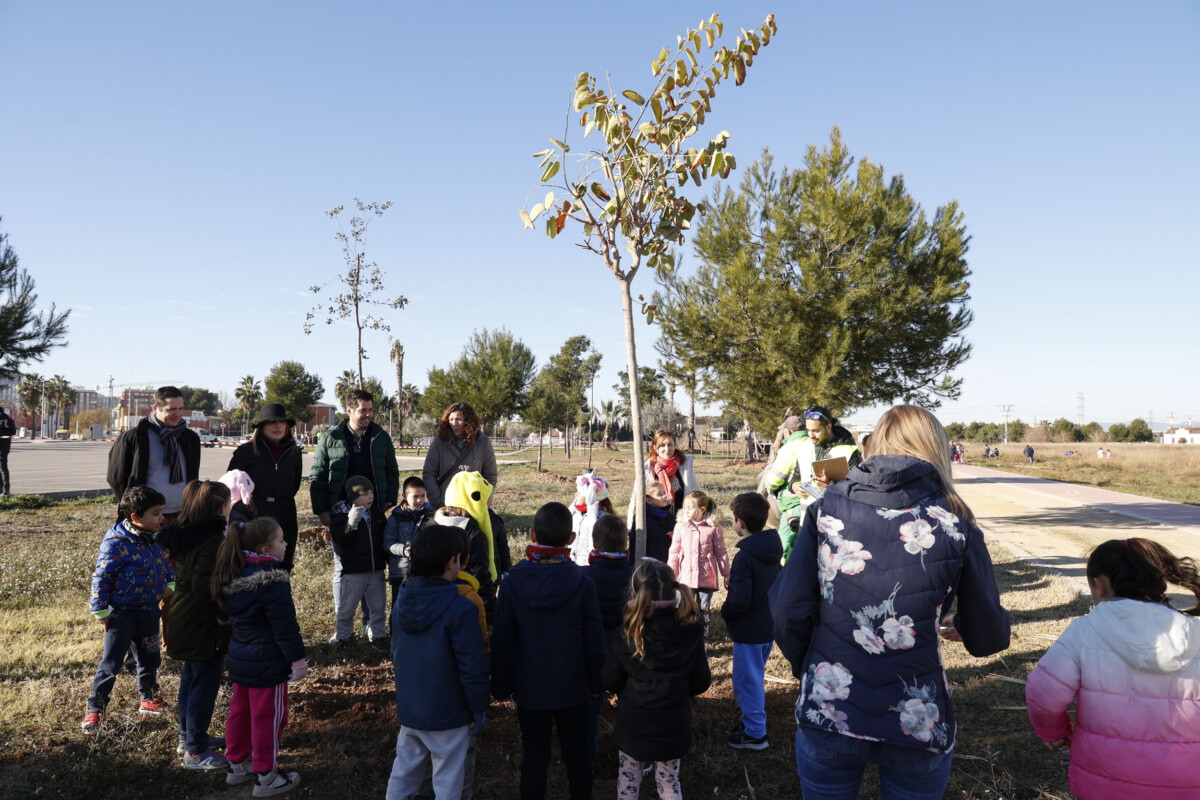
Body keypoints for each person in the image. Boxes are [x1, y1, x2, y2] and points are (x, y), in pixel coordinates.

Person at [770, 404, 1011, 800]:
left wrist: (811, 668)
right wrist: (962, 623)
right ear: (937, 448)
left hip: (829, 706)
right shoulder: (956, 522)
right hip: (917, 719)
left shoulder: (826, 508)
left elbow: (786, 612)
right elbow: (989, 637)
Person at [1025, 538, 1200, 799]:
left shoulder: (1084, 631)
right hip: (1188, 784)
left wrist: (1054, 732)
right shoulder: (1195, 633)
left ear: (1100, 585)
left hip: (1103, 783)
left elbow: (1042, 693)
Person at [491, 501, 604, 800]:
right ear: (571, 539)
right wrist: (596, 684)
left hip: (530, 688)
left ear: (532, 535)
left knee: (534, 754)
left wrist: (500, 686)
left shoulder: (512, 583)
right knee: (577, 754)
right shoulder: (583, 583)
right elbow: (594, 641)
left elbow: (503, 639)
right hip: (573, 686)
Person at [386, 525, 490, 800]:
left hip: (411, 710)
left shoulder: (400, 602)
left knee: (404, 772)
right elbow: (472, 667)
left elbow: (396, 653)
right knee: (448, 780)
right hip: (449, 715)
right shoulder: (462, 609)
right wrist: (479, 706)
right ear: (452, 563)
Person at [212, 516, 306, 797]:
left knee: (240, 713)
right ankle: (266, 776)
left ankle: (236, 765)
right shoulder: (274, 581)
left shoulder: (233, 572)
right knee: (270, 718)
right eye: (281, 540)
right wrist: (297, 660)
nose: (286, 544)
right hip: (269, 664)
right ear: (266, 549)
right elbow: (285, 626)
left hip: (241, 660)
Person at [603, 559, 711, 800]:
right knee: (669, 782)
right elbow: (701, 681)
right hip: (673, 727)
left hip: (634, 727)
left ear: (634, 593)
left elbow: (610, 679)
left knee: (628, 782)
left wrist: (626, 689)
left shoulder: (626, 633)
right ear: (675, 591)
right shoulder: (691, 631)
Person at [83, 486, 173, 731]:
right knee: (111, 664)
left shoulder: (157, 538)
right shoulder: (117, 543)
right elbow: (101, 577)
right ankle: (95, 709)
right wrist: (101, 610)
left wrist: (170, 584)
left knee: (150, 659)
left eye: (162, 512)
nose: (162, 518)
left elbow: (165, 563)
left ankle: (148, 698)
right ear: (136, 517)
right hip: (121, 615)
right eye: (156, 513)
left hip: (149, 612)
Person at [310, 389, 400, 634]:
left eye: (370, 410)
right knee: (343, 568)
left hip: (373, 513)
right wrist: (322, 510)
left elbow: (391, 471)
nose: (368, 415)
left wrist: (388, 500)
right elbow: (318, 475)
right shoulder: (330, 437)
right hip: (341, 514)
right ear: (349, 410)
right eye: (363, 410)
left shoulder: (380, 437)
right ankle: (343, 626)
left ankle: (371, 625)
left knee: (371, 567)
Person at [158, 480, 234, 769]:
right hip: (201, 622)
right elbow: (206, 585)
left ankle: (188, 737)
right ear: (220, 508)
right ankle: (196, 752)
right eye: (228, 502)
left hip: (183, 614)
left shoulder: (187, 536)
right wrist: (221, 612)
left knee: (190, 680)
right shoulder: (212, 541)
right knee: (204, 685)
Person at [721, 493, 782, 751]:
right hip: (767, 625)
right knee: (754, 677)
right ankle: (750, 724)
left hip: (749, 630)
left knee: (748, 683)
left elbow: (739, 601)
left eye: (733, 519)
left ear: (740, 523)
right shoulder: (770, 548)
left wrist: (726, 611)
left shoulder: (745, 557)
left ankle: (756, 734)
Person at [764, 405, 861, 563]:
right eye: (808, 430)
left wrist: (829, 488)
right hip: (807, 523)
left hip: (836, 525)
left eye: (816, 431)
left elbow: (858, 490)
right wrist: (794, 486)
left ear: (828, 427)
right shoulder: (804, 447)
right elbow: (795, 477)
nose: (811, 435)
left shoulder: (849, 451)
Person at [582, 514, 634, 762]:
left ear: (594, 542)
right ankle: (632, 752)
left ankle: (587, 753)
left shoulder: (584, 576)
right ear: (625, 544)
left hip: (593, 652)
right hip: (626, 652)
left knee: (590, 705)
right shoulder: (635, 577)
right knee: (629, 702)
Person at [108, 386, 201, 521]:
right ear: (155, 409)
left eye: (180, 408)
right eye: (171, 409)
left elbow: (193, 476)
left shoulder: (191, 438)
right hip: (147, 518)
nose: (178, 414)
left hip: (183, 515)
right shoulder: (134, 437)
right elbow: (116, 478)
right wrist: (133, 507)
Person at [227, 403, 303, 568]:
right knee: (252, 566)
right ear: (261, 426)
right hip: (255, 515)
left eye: (282, 422)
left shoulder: (294, 452)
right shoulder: (246, 451)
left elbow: (295, 485)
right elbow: (231, 485)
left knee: (284, 564)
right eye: (272, 422)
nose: (278, 426)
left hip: (286, 513)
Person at [327, 476, 388, 651]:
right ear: (353, 497)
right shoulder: (341, 516)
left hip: (376, 570)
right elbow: (342, 541)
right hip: (353, 572)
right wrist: (351, 523)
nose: (370, 497)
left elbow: (384, 539)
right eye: (365, 494)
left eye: (372, 493)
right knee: (347, 608)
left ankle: (379, 637)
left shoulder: (377, 515)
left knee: (378, 607)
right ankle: (342, 638)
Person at [434, 471, 499, 623]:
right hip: (465, 608)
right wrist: (489, 617)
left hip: (431, 606)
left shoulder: (431, 525)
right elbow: (481, 575)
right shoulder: (473, 534)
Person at [667, 490, 729, 636]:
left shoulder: (714, 528)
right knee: (683, 607)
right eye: (685, 507)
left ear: (702, 509)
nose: (686, 511)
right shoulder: (681, 526)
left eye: (690, 508)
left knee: (704, 608)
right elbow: (674, 551)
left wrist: (726, 573)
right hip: (686, 576)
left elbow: (721, 552)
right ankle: (684, 635)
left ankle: (702, 637)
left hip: (706, 576)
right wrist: (670, 572)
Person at [422, 402, 498, 511]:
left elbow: (490, 476)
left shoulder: (483, 442)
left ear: (469, 421)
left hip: (473, 507)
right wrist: (438, 503)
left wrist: (481, 501)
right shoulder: (439, 441)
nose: (454, 423)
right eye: (451, 419)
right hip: (445, 506)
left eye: (458, 419)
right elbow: (429, 474)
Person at [629, 432, 699, 547]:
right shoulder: (646, 469)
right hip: (655, 527)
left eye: (670, 444)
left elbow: (697, 494)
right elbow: (636, 498)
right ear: (655, 447)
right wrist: (631, 524)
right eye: (662, 445)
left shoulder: (685, 467)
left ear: (675, 445)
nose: (667, 449)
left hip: (682, 524)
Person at [383, 476, 434, 603]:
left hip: (425, 571)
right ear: (404, 496)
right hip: (401, 572)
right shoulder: (396, 517)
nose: (420, 500)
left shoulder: (431, 516)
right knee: (399, 607)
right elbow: (388, 543)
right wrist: (404, 550)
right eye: (415, 496)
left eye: (422, 496)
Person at [570, 470, 614, 566]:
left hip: (591, 566)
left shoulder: (603, 519)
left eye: (580, 493)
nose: (575, 495)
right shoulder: (576, 514)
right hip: (573, 564)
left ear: (591, 496)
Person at [0, 405, 16, 497]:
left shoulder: (7, 420)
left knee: (3, 467)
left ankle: (6, 489)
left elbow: (12, 432)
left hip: (3, 446)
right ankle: (0, 488)